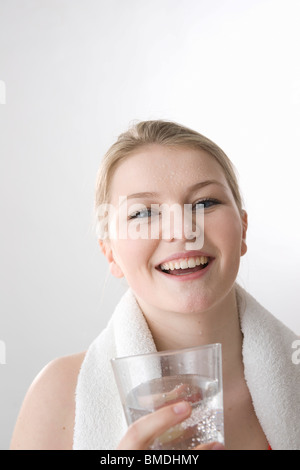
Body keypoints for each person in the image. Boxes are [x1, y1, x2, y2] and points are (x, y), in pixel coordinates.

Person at [10, 120, 299, 450]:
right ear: (111, 254)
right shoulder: (60, 395)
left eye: (205, 203)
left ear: (243, 229)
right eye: (144, 213)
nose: (182, 230)